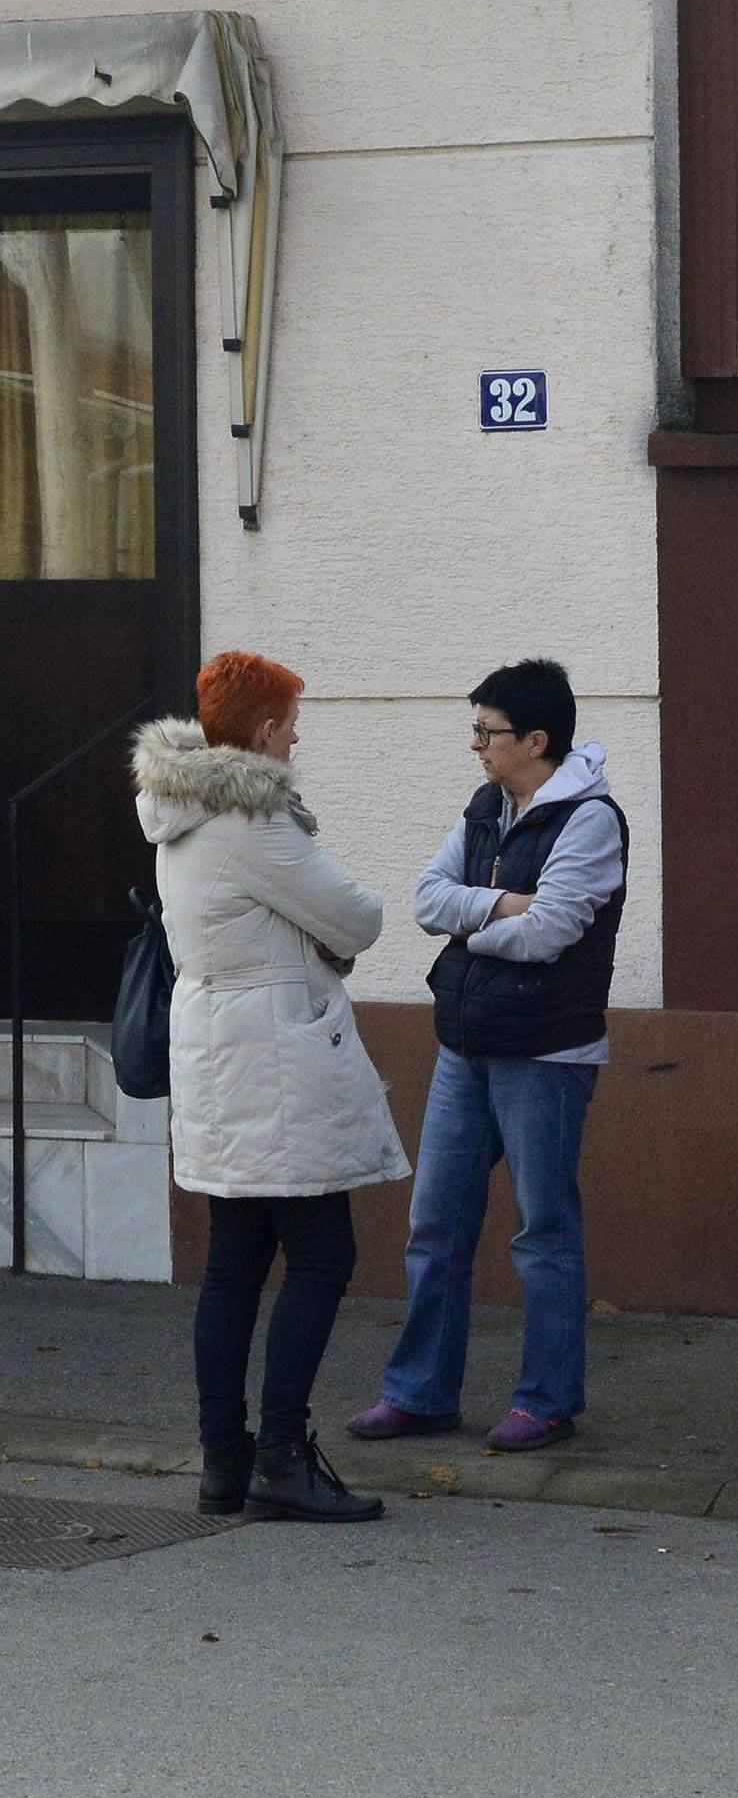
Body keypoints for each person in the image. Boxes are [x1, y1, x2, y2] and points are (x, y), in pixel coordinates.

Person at [134, 652, 407, 1524]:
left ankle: (225, 1463)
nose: (297, 736)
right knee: (324, 1254)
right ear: (260, 731)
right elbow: (357, 915)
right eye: (290, 722)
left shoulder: (180, 812)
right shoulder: (251, 822)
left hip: (218, 1055)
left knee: (233, 1264)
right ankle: (283, 1455)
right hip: (275, 1062)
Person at [349, 658, 628, 1453]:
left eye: (487, 730)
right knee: (435, 1223)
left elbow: (550, 935)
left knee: (542, 1231)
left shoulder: (590, 820)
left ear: (536, 739)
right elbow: (425, 897)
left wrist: (472, 921)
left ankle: (546, 1400)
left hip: (548, 1050)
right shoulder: (486, 807)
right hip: (466, 1045)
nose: (474, 743)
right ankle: (421, 1392)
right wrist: (499, 904)